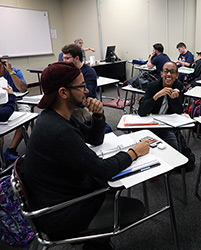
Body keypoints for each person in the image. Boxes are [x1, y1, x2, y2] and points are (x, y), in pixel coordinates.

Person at [22, 62, 149, 248]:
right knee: (134, 208)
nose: (87, 90)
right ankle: (96, 243)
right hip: (60, 212)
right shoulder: (57, 129)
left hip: (59, 195)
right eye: (81, 86)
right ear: (63, 92)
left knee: (110, 187)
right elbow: (103, 170)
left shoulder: (57, 115)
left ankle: (97, 243)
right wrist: (133, 152)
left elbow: (95, 139)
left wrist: (98, 116)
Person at [138, 62, 183, 150]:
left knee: (174, 149)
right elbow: (141, 111)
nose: (169, 75)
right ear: (161, 73)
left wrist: (174, 98)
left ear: (177, 75)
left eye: (172, 72)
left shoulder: (178, 85)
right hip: (150, 124)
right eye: (166, 71)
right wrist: (156, 96)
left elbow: (178, 111)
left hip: (167, 126)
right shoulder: (152, 86)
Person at [0, 59, 29, 162]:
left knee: (26, 114)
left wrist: (11, 72)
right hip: (3, 103)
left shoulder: (15, 71)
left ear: (3, 65)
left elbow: (23, 89)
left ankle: (11, 149)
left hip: (18, 101)